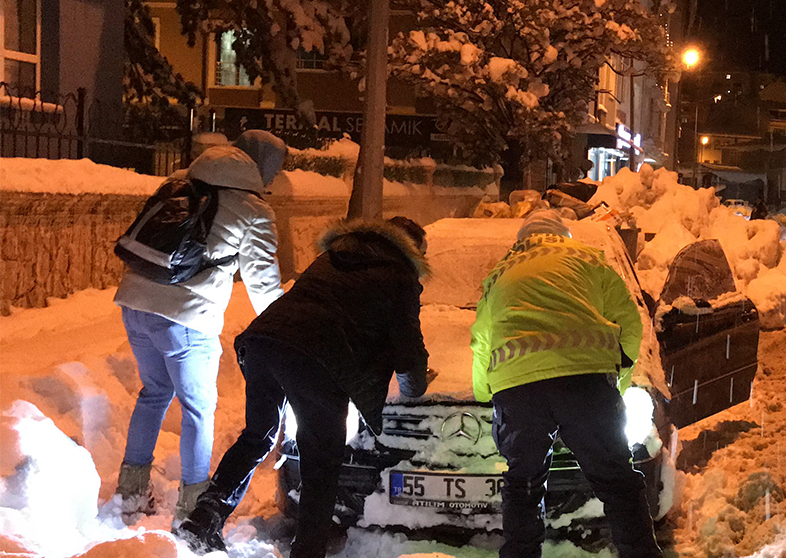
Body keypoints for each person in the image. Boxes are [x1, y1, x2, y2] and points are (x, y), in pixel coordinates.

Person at [175, 217, 431, 557]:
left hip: (264, 341)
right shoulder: (399, 274)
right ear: (413, 250)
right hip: (316, 358)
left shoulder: (334, 256)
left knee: (257, 436)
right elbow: (408, 348)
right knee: (322, 462)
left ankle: (203, 518)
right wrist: (413, 387)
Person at [113, 130, 287, 519]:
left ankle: (130, 493)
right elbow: (263, 282)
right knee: (198, 407)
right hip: (187, 317)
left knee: (154, 391)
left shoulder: (180, 181)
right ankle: (193, 507)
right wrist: (285, 328)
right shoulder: (254, 208)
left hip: (135, 301)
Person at [470, 211, 662, 558]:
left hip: (519, 388)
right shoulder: (588, 260)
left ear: (522, 240)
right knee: (618, 482)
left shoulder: (500, 274)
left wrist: (486, 392)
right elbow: (630, 323)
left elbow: (482, 341)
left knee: (523, 484)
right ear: (564, 235)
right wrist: (615, 386)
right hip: (584, 383)